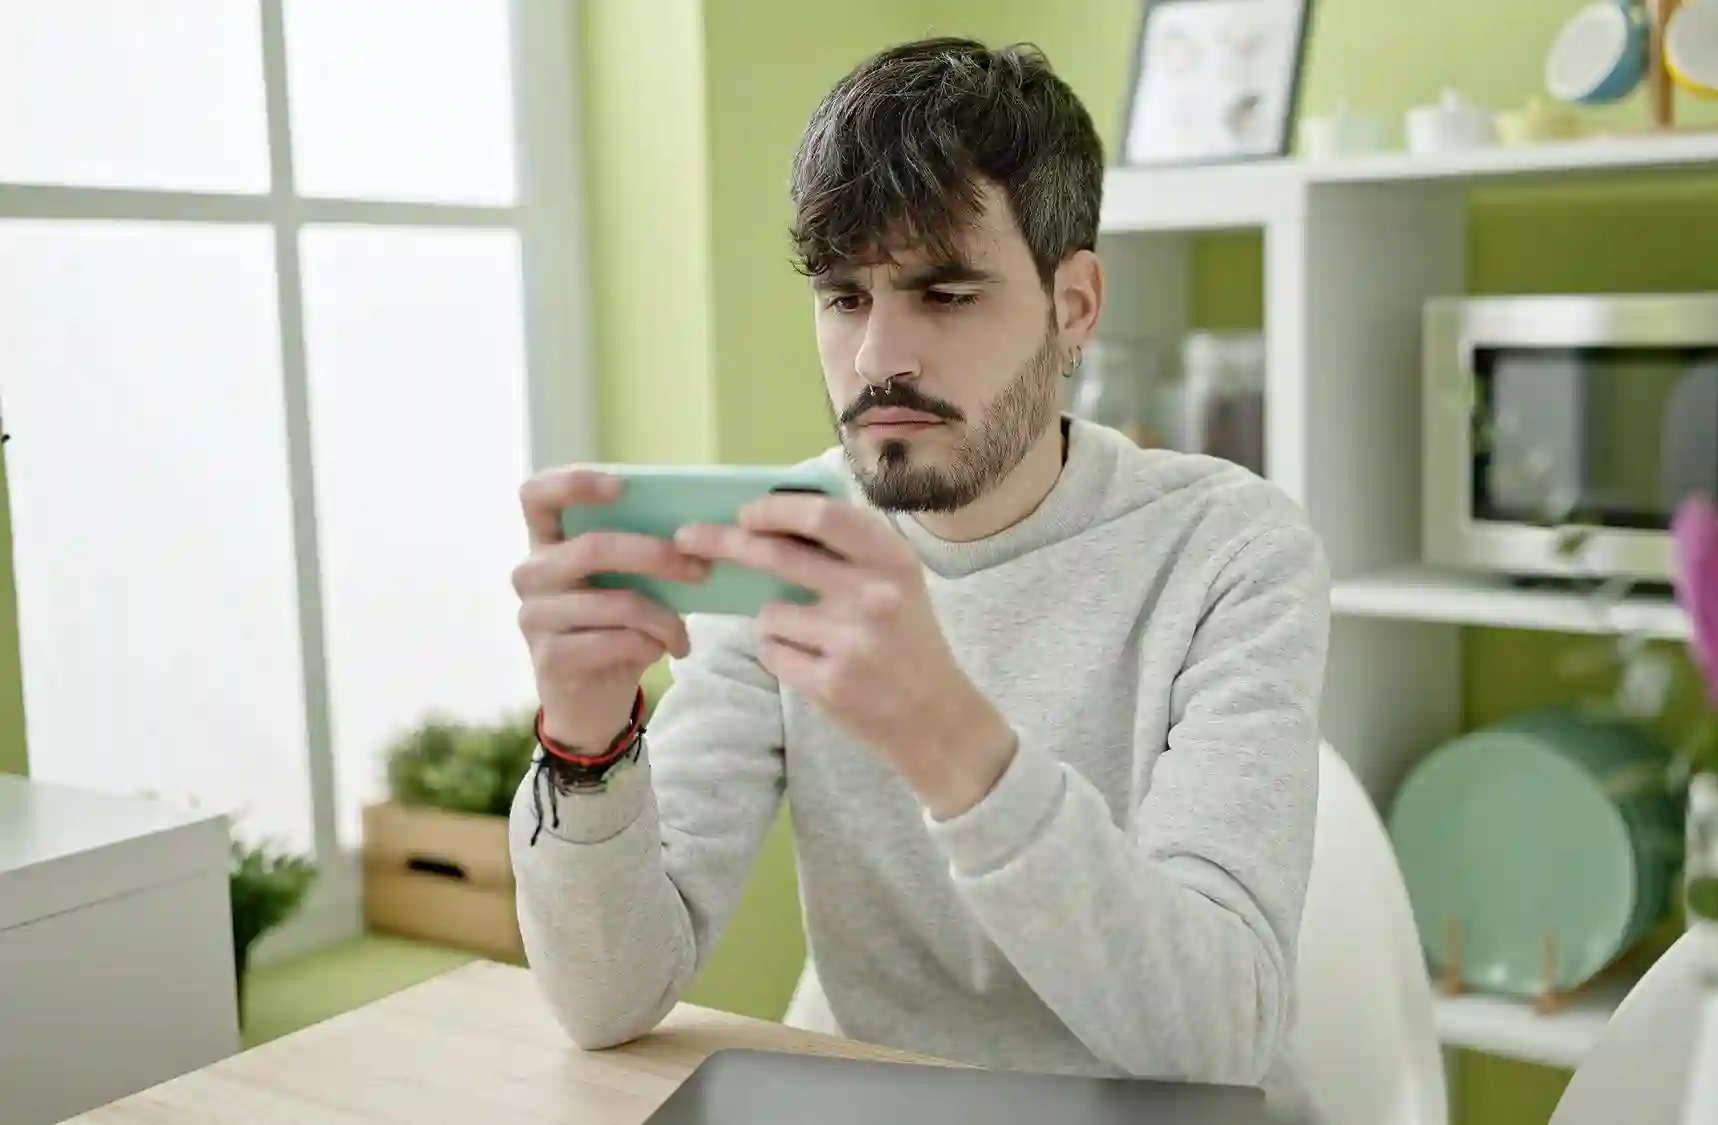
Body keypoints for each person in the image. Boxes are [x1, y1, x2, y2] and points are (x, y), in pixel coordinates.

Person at [506, 36, 1331, 1118]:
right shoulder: (793, 536)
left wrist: (948, 740)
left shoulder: (1231, 550)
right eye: (844, 298)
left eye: (943, 294)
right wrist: (582, 742)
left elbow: (1218, 1040)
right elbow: (603, 1003)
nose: (875, 358)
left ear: (1073, 304)